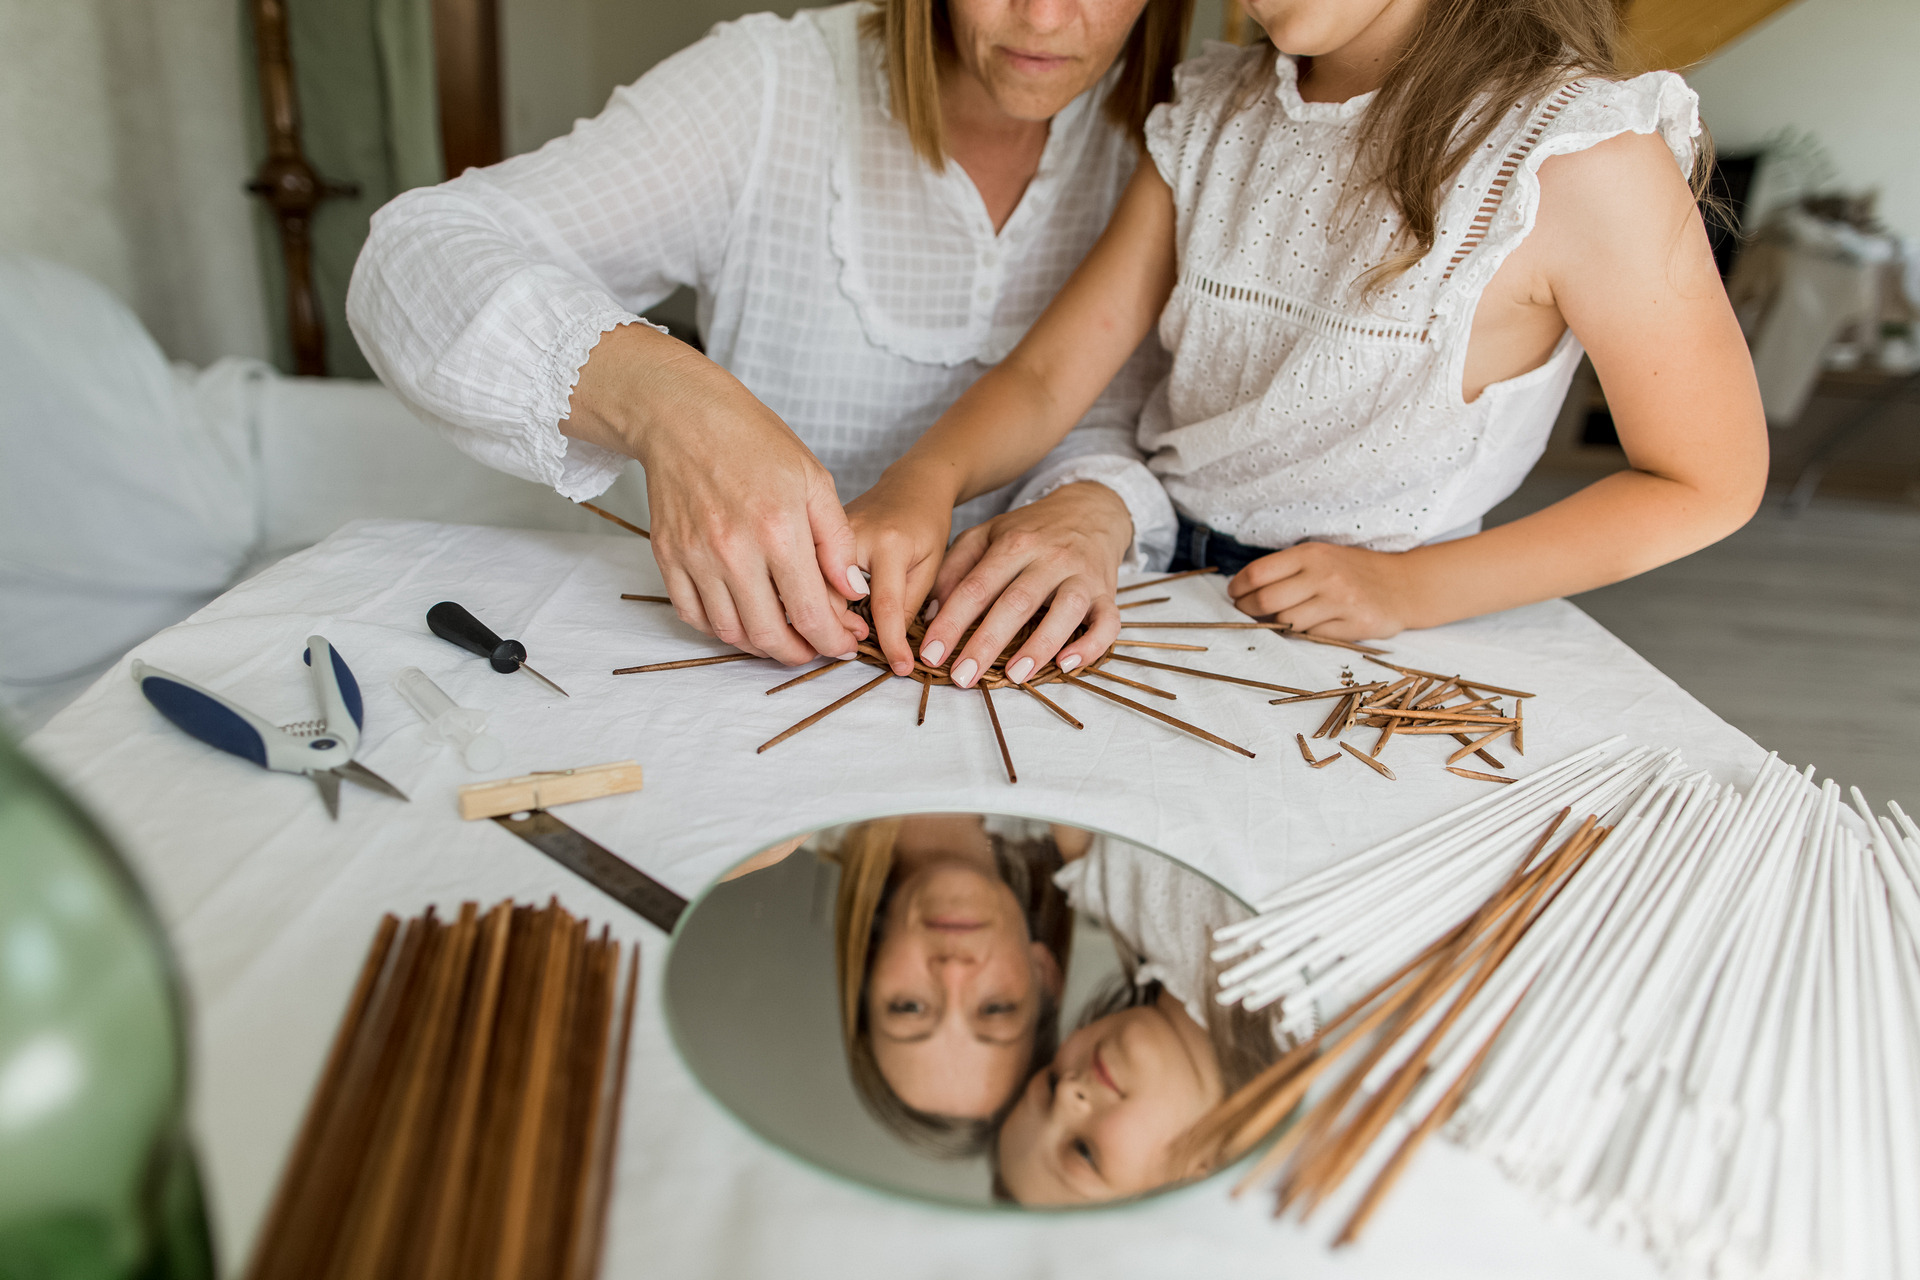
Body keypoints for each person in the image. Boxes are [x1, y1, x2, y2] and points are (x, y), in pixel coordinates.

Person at [846, 0, 1769, 688]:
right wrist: (921, 481)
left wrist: (1411, 592)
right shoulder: (1218, 105)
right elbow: (1051, 374)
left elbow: (1709, 483)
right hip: (1155, 603)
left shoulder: (1576, 151)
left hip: (1384, 654)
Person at [348, 0, 1193, 670]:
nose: (1044, 17)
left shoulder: (1194, 132)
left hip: (1042, 693)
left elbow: (1169, 428)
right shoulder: (771, 88)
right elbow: (411, 260)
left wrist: (1098, 507)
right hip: (754, 681)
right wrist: (671, 406)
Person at [994, 838, 1278, 1204]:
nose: (1067, 1094)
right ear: (1194, 1178)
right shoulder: (1335, 1061)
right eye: (1084, 1152)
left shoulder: (1113, 879)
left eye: (1048, 1084)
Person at [823, 814, 1082, 1154]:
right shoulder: (1092, 822)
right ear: (1043, 973)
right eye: (994, 1009)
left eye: (911, 1007)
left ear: (870, 969)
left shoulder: (783, 817)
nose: (952, 972)